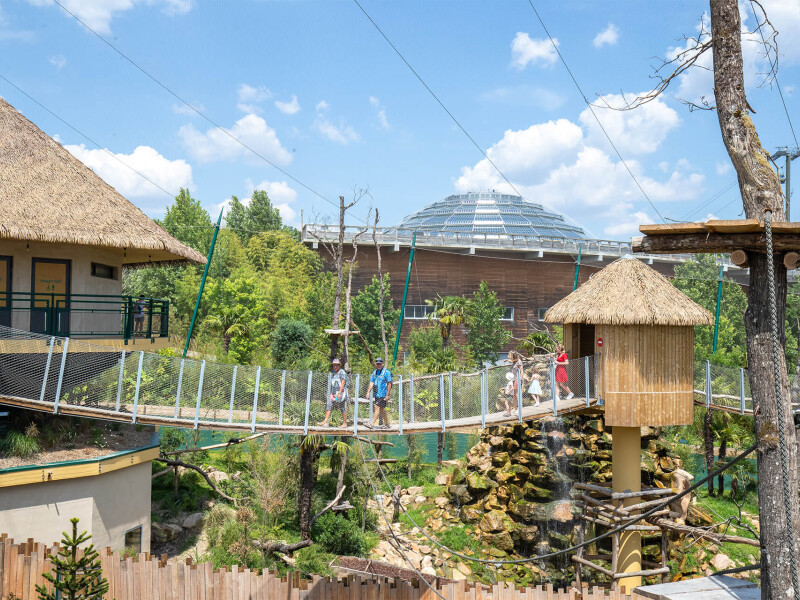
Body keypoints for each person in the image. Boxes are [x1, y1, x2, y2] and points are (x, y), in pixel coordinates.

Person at [320, 358, 349, 427]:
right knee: (329, 404)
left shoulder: (341, 372)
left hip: (341, 393)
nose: (335, 367)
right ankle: (325, 421)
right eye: (334, 365)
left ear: (339, 365)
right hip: (334, 393)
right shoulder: (334, 372)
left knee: (342, 407)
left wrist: (339, 393)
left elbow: (343, 383)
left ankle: (345, 423)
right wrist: (333, 393)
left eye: (336, 365)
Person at [366, 357, 392, 429]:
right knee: (381, 409)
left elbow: (389, 383)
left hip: (383, 394)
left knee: (377, 407)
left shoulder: (386, 372)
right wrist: (368, 392)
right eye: (377, 364)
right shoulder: (375, 372)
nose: (378, 365)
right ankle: (387, 424)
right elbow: (372, 382)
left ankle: (372, 424)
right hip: (377, 394)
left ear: (382, 364)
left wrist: (388, 395)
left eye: (380, 364)